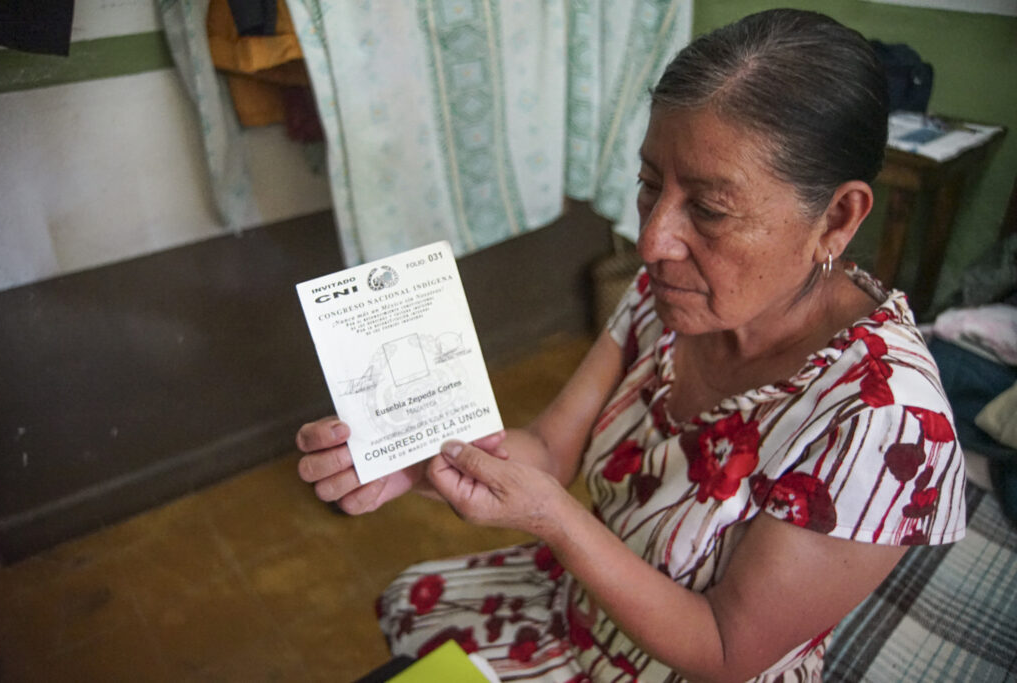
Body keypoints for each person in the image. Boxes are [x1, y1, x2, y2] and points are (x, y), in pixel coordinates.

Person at [296, 9, 966, 682]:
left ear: (838, 217)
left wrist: (556, 521)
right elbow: (552, 451)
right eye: (650, 185)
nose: (652, 241)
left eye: (708, 209)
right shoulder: (675, 295)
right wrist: (416, 454)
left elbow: (726, 648)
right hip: (575, 607)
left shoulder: (888, 419)